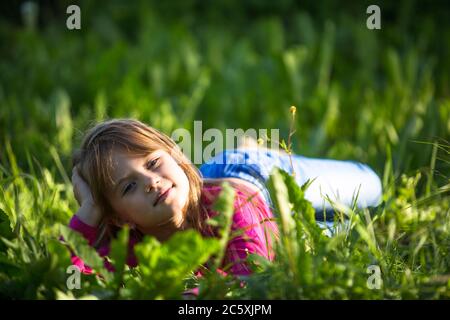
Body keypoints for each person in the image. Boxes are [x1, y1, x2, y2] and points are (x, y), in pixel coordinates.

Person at [68, 118, 382, 279]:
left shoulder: (231, 207)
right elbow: (67, 283)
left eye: (153, 163)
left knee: (371, 188)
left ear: (175, 155)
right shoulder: (127, 248)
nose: (151, 181)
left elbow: (251, 283)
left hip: (254, 177)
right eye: (128, 187)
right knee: (341, 232)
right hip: (233, 203)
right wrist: (90, 209)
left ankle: (255, 149)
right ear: (119, 216)